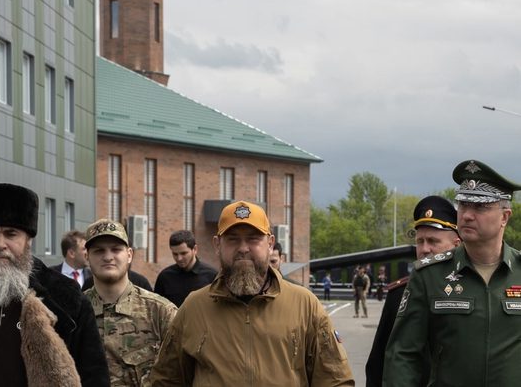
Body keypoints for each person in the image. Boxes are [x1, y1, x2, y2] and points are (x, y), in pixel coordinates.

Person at [149, 200, 355, 386]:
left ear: (270, 243)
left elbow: (335, 380)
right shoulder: (194, 308)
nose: (243, 248)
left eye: (253, 238)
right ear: (217, 245)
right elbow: (166, 381)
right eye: (232, 239)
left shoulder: (304, 305)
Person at [383, 160, 521, 386]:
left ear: (505, 217)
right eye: (463, 205)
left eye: (480, 207)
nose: (467, 215)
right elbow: (403, 355)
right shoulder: (429, 275)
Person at [0, 183, 109, 387]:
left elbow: (94, 377)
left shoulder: (65, 298)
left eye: (11, 234)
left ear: (28, 240)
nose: (0, 244)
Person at [366, 195, 460, 387]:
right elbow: (378, 364)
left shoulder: (469, 290)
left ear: (456, 245)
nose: (424, 249)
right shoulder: (399, 295)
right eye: (420, 241)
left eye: (433, 241)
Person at [83, 218, 177, 386]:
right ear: (87, 257)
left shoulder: (160, 312)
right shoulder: (74, 312)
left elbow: (181, 374)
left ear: (129, 255)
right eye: (99, 251)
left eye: (116, 249)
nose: (108, 257)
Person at [154, 229, 218, 307]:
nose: (179, 258)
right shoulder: (164, 277)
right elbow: (156, 307)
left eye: (183, 253)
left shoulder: (212, 275)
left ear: (195, 249)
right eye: (175, 254)